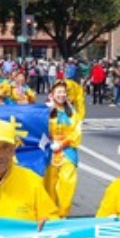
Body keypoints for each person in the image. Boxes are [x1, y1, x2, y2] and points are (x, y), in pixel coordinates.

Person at [44, 80, 82, 218]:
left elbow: (76, 132)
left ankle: (63, 214)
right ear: (52, 94)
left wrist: (63, 143)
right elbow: (39, 129)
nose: (61, 95)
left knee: (67, 184)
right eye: (58, 92)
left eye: (63, 92)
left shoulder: (72, 112)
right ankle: (50, 215)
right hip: (50, 152)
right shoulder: (46, 110)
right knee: (49, 186)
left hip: (67, 152)